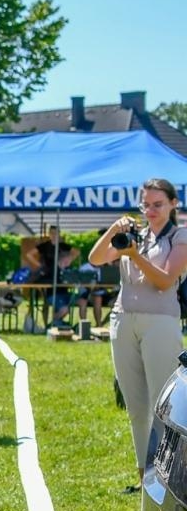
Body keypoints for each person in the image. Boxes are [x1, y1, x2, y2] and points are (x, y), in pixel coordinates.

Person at [91, 178, 187, 491]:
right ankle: (143, 478)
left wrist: (134, 255)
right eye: (145, 204)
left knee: (163, 404)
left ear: (174, 203)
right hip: (123, 320)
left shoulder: (180, 236)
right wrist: (113, 231)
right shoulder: (136, 235)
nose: (150, 210)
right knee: (136, 405)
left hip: (160, 321)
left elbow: (164, 281)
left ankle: (165, 479)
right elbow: (95, 258)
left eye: (157, 204)